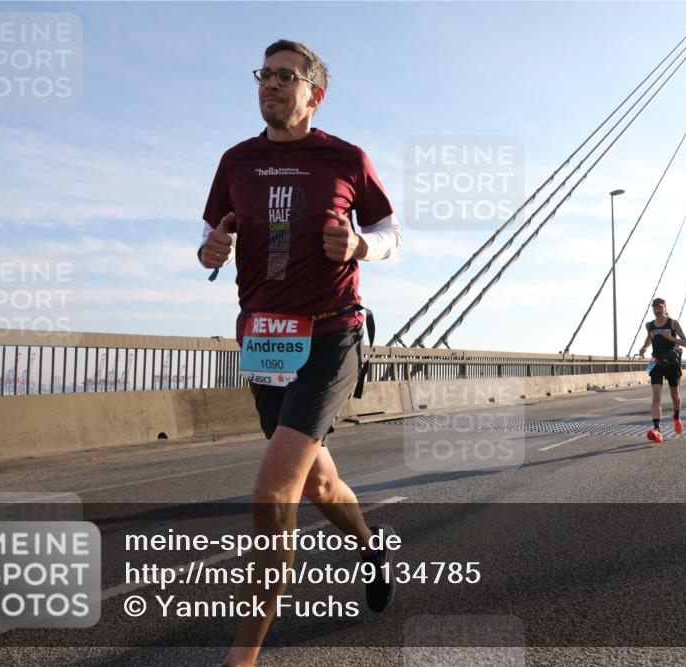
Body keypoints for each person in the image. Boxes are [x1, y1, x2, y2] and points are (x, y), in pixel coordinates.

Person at [199, 39, 402, 667]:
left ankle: (242, 658)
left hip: (331, 332)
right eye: (265, 74)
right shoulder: (236, 160)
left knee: (273, 489)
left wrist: (360, 247)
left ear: (315, 92)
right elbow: (212, 230)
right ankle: (370, 547)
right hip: (264, 341)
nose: (272, 85)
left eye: (287, 76)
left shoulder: (345, 157)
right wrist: (210, 250)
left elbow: (390, 232)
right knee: (317, 480)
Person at [638, 298, 686, 443]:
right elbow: (650, 338)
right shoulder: (649, 325)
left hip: (672, 363)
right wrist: (645, 347)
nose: (656, 310)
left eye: (659, 307)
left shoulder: (673, 323)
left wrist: (672, 338)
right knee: (656, 397)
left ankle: (677, 417)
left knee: (675, 396)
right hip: (656, 362)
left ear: (665, 308)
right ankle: (657, 429)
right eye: (654, 307)